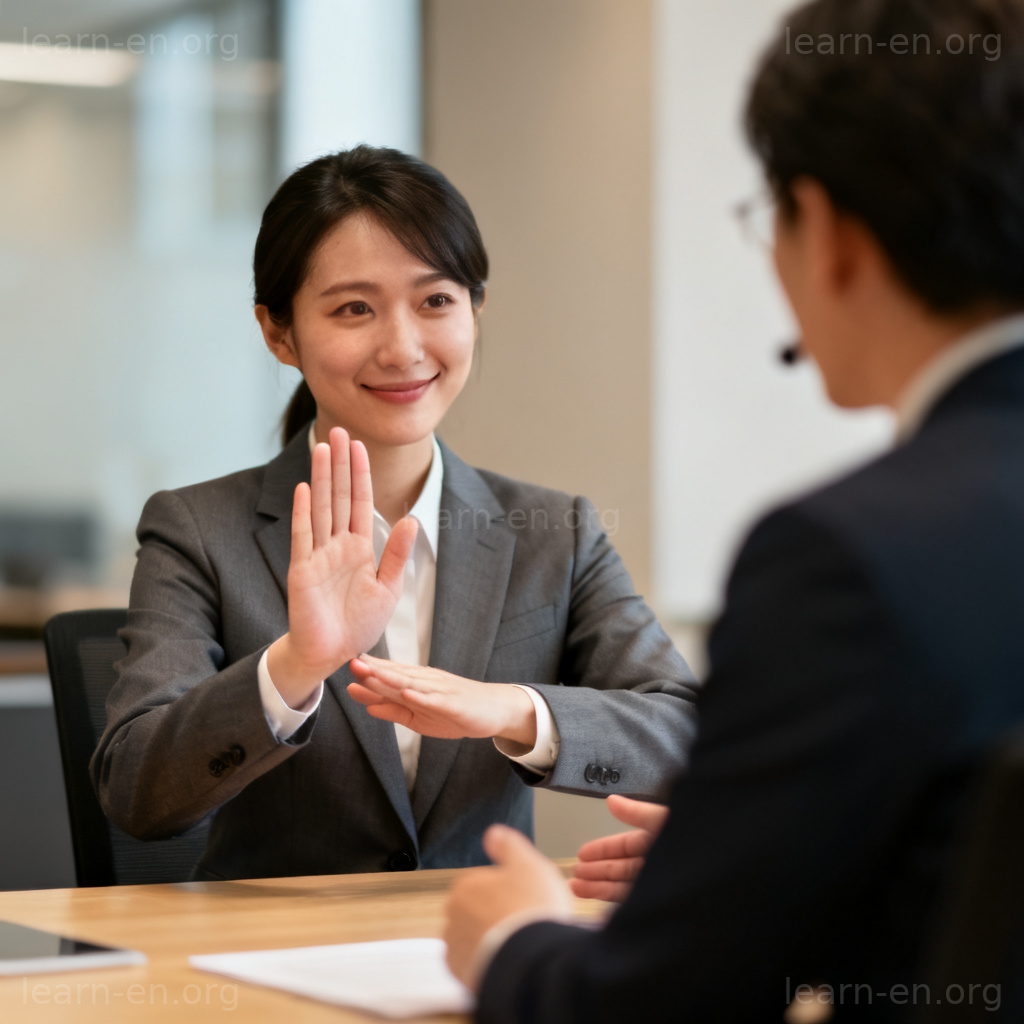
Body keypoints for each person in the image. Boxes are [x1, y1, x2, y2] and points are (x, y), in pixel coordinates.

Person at [443, 0, 1024, 1019]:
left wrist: (511, 939)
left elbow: (654, 1006)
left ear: (827, 232)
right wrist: (768, 862)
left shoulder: (844, 556)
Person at [90, 146, 700, 881]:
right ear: (279, 333)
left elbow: (686, 735)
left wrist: (512, 710)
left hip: (481, 936)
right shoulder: (198, 531)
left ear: (475, 308)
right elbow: (136, 792)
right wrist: (294, 666)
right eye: (354, 308)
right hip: (274, 944)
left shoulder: (555, 532)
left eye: (435, 301)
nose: (403, 348)